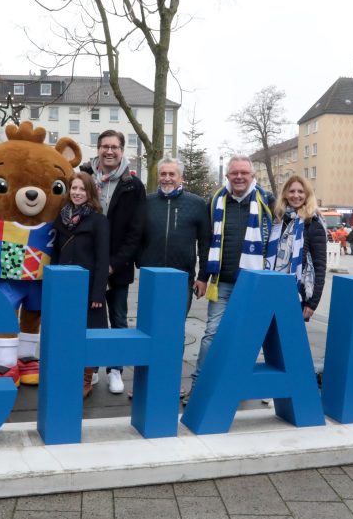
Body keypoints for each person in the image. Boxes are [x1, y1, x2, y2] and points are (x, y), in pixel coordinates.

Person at [185, 155, 278, 404]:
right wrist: (203, 276)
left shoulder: (267, 201)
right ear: (227, 176)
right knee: (212, 334)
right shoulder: (216, 200)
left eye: (243, 173)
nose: (238, 177)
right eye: (234, 173)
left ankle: (236, 385)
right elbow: (206, 243)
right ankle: (199, 384)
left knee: (246, 336)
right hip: (222, 282)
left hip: (253, 283)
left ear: (252, 176)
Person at [80, 130, 145, 395]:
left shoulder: (133, 184)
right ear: (98, 149)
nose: (109, 151)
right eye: (105, 146)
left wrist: (113, 264)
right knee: (90, 321)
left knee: (118, 318)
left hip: (117, 267)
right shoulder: (83, 177)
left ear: (122, 150)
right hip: (87, 265)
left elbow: (135, 232)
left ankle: (116, 369)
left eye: (114, 147)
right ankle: (90, 370)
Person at [52, 172, 110, 398]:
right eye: (73, 188)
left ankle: (87, 379)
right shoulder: (61, 218)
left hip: (88, 290)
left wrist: (98, 293)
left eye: (82, 189)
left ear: (90, 193)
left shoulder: (98, 221)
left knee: (88, 335)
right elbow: (55, 254)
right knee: (66, 333)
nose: (77, 193)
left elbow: (102, 259)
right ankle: (67, 374)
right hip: (64, 287)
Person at [138, 156, 212, 316]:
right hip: (151, 276)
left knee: (175, 328)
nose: (167, 178)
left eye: (172, 174)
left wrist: (203, 277)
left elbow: (205, 243)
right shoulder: (145, 202)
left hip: (182, 278)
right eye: (163, 174)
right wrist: (140, 261)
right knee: (148, 327)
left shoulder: (197, 204)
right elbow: (136, 236)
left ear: (181, 178)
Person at [272, 175, 328, 321]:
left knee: (288, 340)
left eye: (300, 192)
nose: (296, 195)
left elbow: (320, 267)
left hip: (298, 294)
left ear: (307, 195)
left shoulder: (313, 224)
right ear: (285, 194)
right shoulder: (278, 221)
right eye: (291, 191)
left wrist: (312, 303)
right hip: (272, 289)